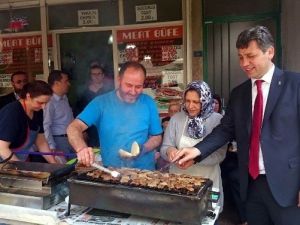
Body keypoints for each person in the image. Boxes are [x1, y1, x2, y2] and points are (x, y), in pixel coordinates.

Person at [172, 25, 300, 225]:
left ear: (270, 52)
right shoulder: (239, 94)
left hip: (288, 187)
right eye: (240, 57)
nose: (244, 63)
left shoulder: (295, 85)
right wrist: (196, 151)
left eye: (250, 56)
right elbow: (225, 130)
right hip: (251, 185)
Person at [67, 61, 163, 169]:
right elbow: (73, 127)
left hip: (145, 172)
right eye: (128, 85)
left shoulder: (148, 102)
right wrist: (81, 148)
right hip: (113, 171)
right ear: (119, 80)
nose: (133, 91)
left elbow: (156, 137)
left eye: (138, 87)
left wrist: (143, 148)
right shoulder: (101, 103)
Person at [160, 80, 226, 213]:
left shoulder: (217, 121)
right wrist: (170, 151)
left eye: (196, 102)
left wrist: (194, 160)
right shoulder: (176, 119)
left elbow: (219, 155)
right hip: (179, 180)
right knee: (180, 215)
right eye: (187, 101)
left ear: (206, 100)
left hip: (207, 180)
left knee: (206, 216)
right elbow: (164, 147)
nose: (190, 106)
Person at [0, 80, 57, 163]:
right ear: (28, 96)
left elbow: (41, 141)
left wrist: (54, 164)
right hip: (4, 161)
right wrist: (20, 169)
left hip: (20, 159)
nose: (43, 107)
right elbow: (2, 148)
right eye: (40, 102)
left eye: (46, 103)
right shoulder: (12, 112)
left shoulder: (38, 110)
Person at [75, 64, 114, 147]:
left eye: (99, 74)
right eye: (94, 74)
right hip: (89, 129)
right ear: (90, 76)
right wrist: (82, 131)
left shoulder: (109, 92)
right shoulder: (84, 94)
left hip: (107, 128)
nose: (96, 76)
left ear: (103, 75)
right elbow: (78, 112)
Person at [43, 70, 74, 160]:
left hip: (70, 138)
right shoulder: (49, 101)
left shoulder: (64, 98)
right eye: (66, 81)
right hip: (58, 140)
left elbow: (69, 118)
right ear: (56, 83)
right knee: (64, 169)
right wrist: (51, 146)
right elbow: (46, 125)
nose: (69, 84)